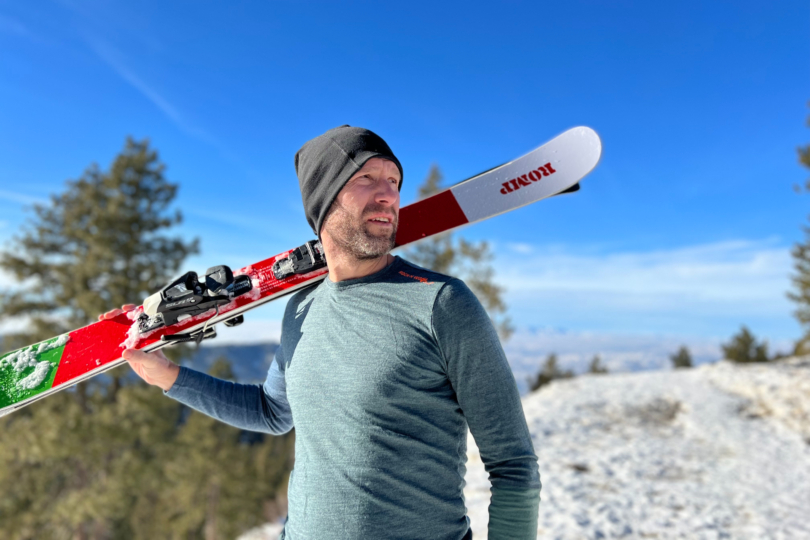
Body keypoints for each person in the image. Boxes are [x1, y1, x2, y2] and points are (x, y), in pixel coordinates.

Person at [101, 126, 541, 539]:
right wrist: (167, 378)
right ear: (324, 198)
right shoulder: (301, 308)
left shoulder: (442, 303)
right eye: (368, 177)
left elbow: (514, 467)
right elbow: (272, 413)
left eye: (394, 181)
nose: (389, 195)